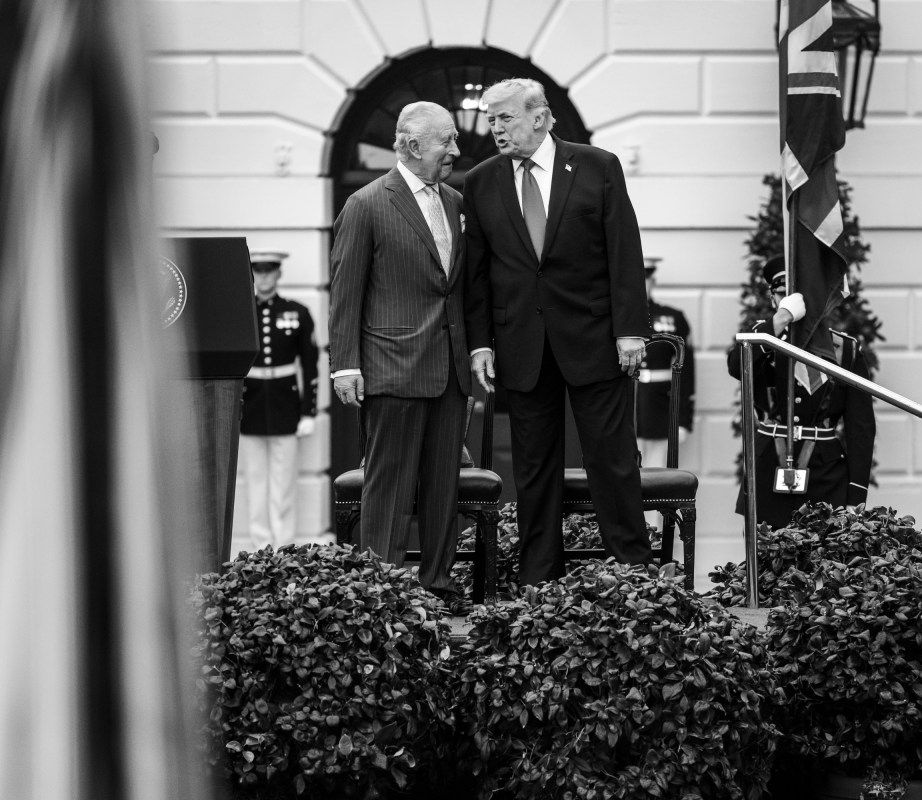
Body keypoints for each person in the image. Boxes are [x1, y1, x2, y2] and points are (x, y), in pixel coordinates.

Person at [463, 77, 653, 586]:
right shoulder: (481, 181)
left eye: (505, 117)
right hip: (521, 345)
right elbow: (475, 275)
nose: (495, 128)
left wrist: (630, 330)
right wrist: (480, 342)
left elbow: (624, 250)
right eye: (491, 119)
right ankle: (538, 583)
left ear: (540, 117)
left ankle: (632, 578)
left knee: (611, 462)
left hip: (595, 339)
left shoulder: (597, 165)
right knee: (533, 470)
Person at [328, 101, 472, 614]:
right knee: (387, 490)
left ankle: (436, 585)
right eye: (446, 141)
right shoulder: (366, 203)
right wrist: (345, 364)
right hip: (391, 369)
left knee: (443, 489)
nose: (456, 150)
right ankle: (381, 594)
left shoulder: (455, 201)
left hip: (451, 370)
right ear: (412, 146)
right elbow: (345, 291)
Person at [727, 255, 876, 528]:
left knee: (823, 564)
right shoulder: (762, 340)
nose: (794, 302)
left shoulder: (845, 350)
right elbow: (737, 367)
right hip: (770, 465)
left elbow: (861, 427)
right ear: (773, 298)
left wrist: (857, 494)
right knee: (765, 563)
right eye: (783, 294)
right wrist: (781, 318)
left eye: (801, 296)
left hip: (825, 473)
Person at [239, 249, 319, 550]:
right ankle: (261, 547)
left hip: (286, 404)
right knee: (256, 482)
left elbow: (310, 365)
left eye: (269, 271)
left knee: (284, 483)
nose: (264, 277)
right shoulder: (242, 314)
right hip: (252, 404)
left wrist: (309, 411)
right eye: (258, 271)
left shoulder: (296, 312)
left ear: (278, 273)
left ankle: (284, 546)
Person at [636, 256, 695, 468]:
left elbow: (686, 372)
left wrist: (683, 419)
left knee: (657, 480)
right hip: (625, 409)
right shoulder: (612, 316)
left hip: (660, 410)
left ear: (653, 281)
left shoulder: (673, 318)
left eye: (646, 278)